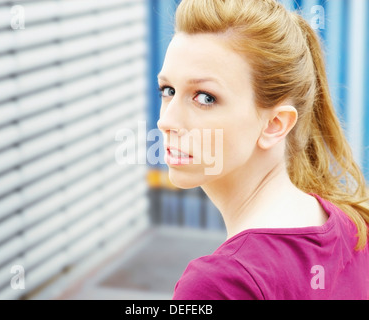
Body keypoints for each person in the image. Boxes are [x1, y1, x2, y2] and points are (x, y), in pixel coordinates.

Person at [156, 0, 369, 300]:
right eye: (168, 91)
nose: (166, 121)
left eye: (205, 97)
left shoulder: (221, 284)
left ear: (275, 124)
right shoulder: (355, 229)